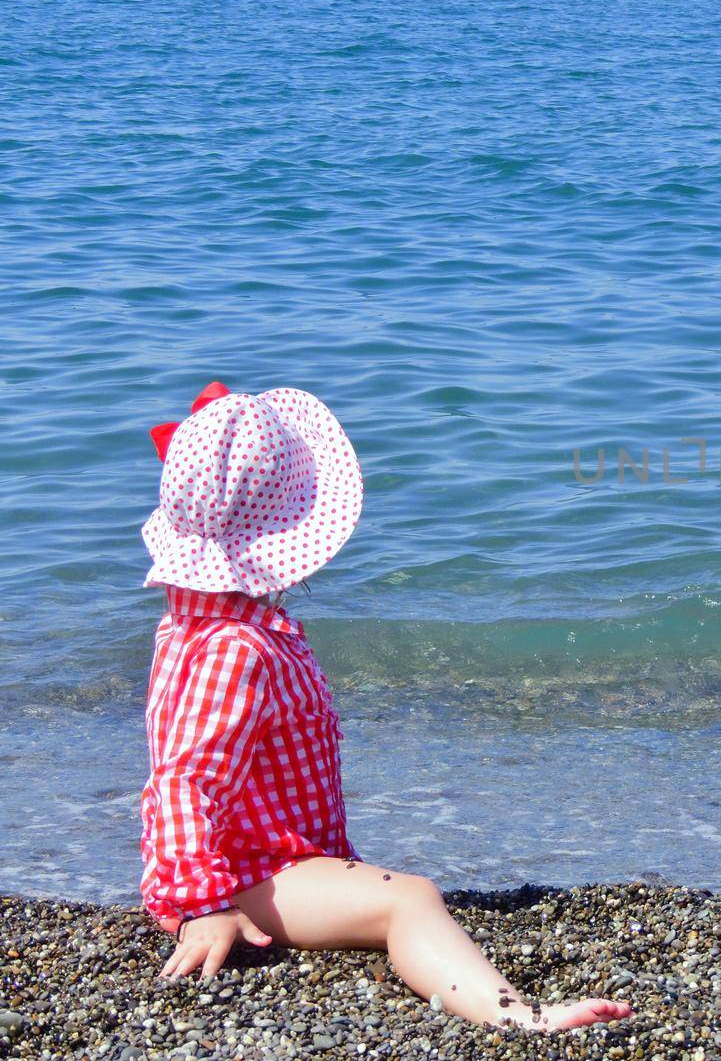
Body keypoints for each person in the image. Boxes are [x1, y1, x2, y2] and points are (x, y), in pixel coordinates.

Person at [139, 381, 632, 1032]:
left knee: (387, 892)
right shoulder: (237, 648)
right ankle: (519, 1015)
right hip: (242, 879)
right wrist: (204, 905)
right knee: (411, 898)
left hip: (255, 864)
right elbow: (182, 781)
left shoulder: (195, 626)